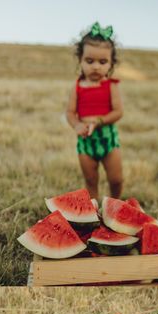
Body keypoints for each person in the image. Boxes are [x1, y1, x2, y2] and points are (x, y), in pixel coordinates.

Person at [66, 22, 124, 199]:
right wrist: (76, 125)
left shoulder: (110, 86)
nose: (96, 67)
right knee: (91, 180)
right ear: (80, 61)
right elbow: (70, 112)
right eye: (89, 61)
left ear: (111, 64)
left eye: (103, 62)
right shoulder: (77, 87)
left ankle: (115, 204)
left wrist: (98, 121)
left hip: (108, 138)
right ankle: (93, 213)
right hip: (86, 141)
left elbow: (118, 112)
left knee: (116, 179)